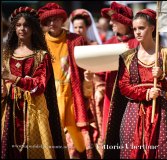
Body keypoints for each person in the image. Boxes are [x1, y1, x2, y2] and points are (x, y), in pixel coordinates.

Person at [104, 9, 167, 159]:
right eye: (134, 29)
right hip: (134, 112)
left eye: (141, 28)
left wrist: (162, 77)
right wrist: (146, 93)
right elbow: (124, 86)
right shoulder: (127, 57)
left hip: (161, 111)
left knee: (161, 151)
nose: (137, 32)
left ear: (152, 28)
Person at [1, 6, 68, 159]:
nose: (22, 29)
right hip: (11, 109)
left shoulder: (40, 56)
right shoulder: (7, 55)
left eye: (26, 25)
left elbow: (39, 85)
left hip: (34, 109)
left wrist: (12, 78)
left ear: (33, 29)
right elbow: (4, 86)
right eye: (18, 25)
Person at [38, 3, 99, 159]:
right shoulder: (40, 42)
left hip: (72, 94)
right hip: (51, 96)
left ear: (62, 20)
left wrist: (87, 85)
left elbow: (83, 70)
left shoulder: (75, 40)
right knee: (52, 135)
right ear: (45, 22)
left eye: (56, 19)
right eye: (49, 19)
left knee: (78, 137)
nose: (53, 22)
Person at [98, 1, 139, 141]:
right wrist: (92, 73)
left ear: (125, 22)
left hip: (133, 96)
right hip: (111, 94)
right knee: (112, 134)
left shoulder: (138, 43)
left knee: (132, 133)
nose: (110, 23)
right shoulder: (108, 43)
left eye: (114, 20)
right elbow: (101, 72)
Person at [68, 8, 103, 158]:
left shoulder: (94, 46)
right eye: (75, 27)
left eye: (81, 27)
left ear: (87, 27)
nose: (78, 30)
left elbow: (101, 72)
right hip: (75, 92)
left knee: (94, 126)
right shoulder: (69, 47)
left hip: (93, 92)